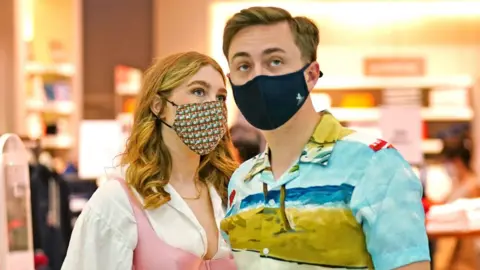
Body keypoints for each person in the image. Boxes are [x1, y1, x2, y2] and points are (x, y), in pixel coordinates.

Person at [220, 6, 430, 270]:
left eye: (275, 61)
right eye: (244, 66)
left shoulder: (374, 164)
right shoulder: (242, 181)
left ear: (310, 75)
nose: (257, 77)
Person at [62, 52, 238, 269]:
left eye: (221, 97)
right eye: (198, 91)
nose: (212, 105)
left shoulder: (229, 192)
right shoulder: (119, 200)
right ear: (159, 106)